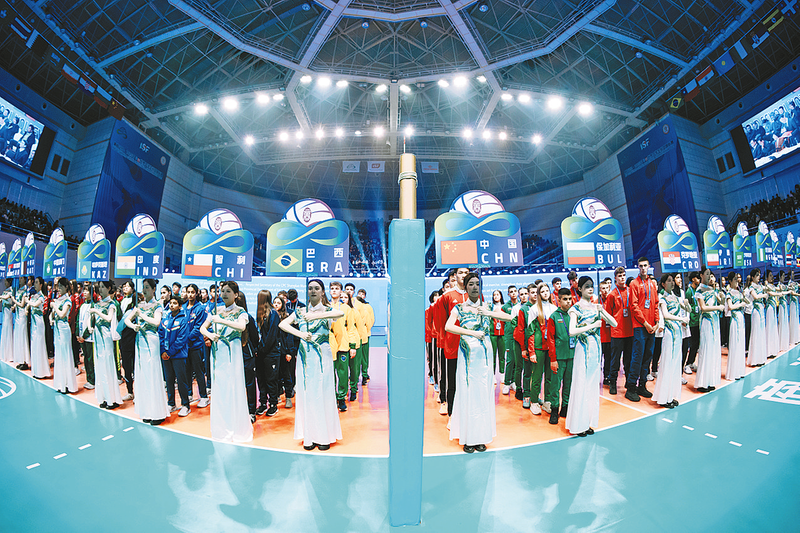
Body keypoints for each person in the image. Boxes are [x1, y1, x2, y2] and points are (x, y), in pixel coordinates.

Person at [445, 273, 512, 452]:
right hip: (467, 357)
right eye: (471, 284)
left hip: (485, 357)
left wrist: (489, 313)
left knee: (483, 393)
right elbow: (448, 326)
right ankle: (468, 438)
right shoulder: (459, 308)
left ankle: (481, 436)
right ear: (465, 287)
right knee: (468, 393)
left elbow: (509, 318)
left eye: (477, 284)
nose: (474, 287)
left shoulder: (487, 306)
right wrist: (472, 333)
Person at [279, 279, 344, 451]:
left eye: (317, 288)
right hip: (305, 358)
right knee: (307, 394)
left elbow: (340, 314)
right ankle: (309, 435)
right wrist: (300, 334)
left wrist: (317, 316)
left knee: (323, 392)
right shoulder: (300, 311)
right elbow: (282, 324)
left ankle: (324, 436)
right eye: (310, 288)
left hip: (323, 357)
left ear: (322, 291)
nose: (313, 291)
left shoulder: (328, 310)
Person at [200, 281, 253, 442]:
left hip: (233, 356)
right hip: (218, 355)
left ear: (236, 295)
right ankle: (222, 427)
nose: (224, 294)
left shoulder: (241, 312)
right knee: (220, 389)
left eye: (228, 291)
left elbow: (241, 327)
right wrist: (210, 335)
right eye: (222, 291)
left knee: (234, 387)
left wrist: (221, 320)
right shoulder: (216, 310)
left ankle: (236, 427)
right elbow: (202, 328)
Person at [565, 277, 617, 436]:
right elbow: (572, 331)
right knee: (581, 384)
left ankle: (587, 422)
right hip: (582, 350)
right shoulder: (575, 308)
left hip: (595, 350)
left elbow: (614, 323)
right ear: (580, 289)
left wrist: (602, 311)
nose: (590, 289)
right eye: (586, 286)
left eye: (592, 286)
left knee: (592, 386)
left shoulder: (596, 307)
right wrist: (593, 325)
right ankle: (578, 425)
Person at [125, 279, 168, 425]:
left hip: (152, 340)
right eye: (143, 287)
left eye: (147, 287)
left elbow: (156, 322)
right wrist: (133, 326)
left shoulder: (157, 306)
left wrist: (141, 315)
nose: (144, 290)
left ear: (154, 289)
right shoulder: (139, 305)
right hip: (140, 341)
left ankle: (157, 413)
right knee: (142, 375)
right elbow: (127, 320)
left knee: (152, 374)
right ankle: (147, 411)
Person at [431, 267, 471, 417]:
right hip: (453, 345)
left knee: (469, 380)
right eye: (460, 273)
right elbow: (441, 322)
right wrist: (445, 341)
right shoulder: (447, 296)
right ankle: (451, 414)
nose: (463, 275)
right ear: (455, 275)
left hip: (471, 345)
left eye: (466, 272)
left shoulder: (475, 294)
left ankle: (467, 413)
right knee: (452, 381)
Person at [653, 273, 688, 408]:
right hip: (669, 333)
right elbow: (666, 315)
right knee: (667, 363)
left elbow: (687, 309)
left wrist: (687, 306)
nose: (672, 282)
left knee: (675, 364)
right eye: (669, 281)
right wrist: (681, 319)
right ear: (663, 284)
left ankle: (671, 395)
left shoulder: (676, 297)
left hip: (678, 333)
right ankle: (663, 398)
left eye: (672, 280)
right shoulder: (662, 298)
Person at [626, 257, 658, 402]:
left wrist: (656, 322)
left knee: (648, 356)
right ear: (638, 267)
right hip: (640, 326)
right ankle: (631, 387)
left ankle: (642, 385)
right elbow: (634, 306)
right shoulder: (634, 284)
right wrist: (645, 323)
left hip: (651, 327)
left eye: (645, 265)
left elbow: (655, 304)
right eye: (641, 266)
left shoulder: (652, 284)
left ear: (649, 266)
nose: (643, 268)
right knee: (637, 356)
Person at [88, 280, 123, 410]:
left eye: (103, 287)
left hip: (106, 338)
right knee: (100, 367)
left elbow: (109, 318)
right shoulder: (97, 304)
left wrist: (96, 312)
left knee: (108, 366)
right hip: (97, 338)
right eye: (100, 287)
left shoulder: (111, 304)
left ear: (109, 288)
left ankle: (112, 399)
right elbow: (91, 319)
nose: (100, 289)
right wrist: (90, 325)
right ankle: (103, 397)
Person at [524, 283, 556, 415]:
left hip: (551, 348)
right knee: (537, 377)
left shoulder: (554, 308)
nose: (545, 293)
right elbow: (530, 332)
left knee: (550, 377)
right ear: (538, 294)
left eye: (547, 290)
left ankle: (547, 401)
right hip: (538, 348)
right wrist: (531, 352)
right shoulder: (534, 309)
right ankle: (534, 402)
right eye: (542, 291)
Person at [546, 288, 576, 425]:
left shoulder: (574, 315)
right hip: (558, 357)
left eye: (570, 299)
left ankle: (565, 407)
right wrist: (553, 359)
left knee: (568, 384)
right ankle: (554, 409)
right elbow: (550, 339)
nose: (568, 302)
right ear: (559, 300)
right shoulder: (554, 316)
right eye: (565, 299)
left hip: (572, 356)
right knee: (555, 385)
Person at [160, 294, 191, 417]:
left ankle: (185, 405)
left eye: (175, 303)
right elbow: (161, 334)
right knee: (169, 380)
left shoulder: (183, 320)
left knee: (181, 381)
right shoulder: (165, 319)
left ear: (180, 306)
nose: (172, 305)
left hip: (178, 356)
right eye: (171, 303)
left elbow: (181, 339)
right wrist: (163, 351)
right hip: (166, 356)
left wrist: (169, 352)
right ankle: (171, 403)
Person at [695, 269, 724, 393]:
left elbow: (721, 302)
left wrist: (722, 297)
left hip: (715, 322)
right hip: (706, 322)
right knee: (706, 349)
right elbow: (703, 307)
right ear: (701, 275)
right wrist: (718, 307)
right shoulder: (699, 291)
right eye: (707, 274)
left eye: (710, 275)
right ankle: (702, 383)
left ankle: (711, 380)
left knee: (713, 350)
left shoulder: (712, 290)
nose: (709, 277)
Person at [605, 267, 632, 395]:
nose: (622, 278)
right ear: (615, 278)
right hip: (617, 332)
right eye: (619, 276)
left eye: (623, 275)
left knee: (628, 359)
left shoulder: (630, 291)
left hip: (630, 331)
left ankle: (628, 382)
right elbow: (608, 314)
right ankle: (613, 382)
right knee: (615, 360)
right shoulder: (612, 295)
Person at [256, 289, 282, 417]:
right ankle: (262, 403)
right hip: (261, 353)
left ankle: (273, 404)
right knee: (261, 380)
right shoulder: (260, 314)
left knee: (271, 380)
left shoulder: (273, 314)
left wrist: (262, 349)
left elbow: (271, 335)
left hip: (271, 353)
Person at [183, 284, 209, 408]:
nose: (190, 294)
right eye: (188, 292)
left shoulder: (200, 308)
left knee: (198, 372)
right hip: (184, 346)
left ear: (196, 293)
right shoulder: (183, 307)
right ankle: (189, 394)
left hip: (196, 345)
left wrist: (186, 339)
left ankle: (203, 396)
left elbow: (198, 327)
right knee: (186, 371)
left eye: (192, 292)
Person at [51, 277, 77, 394]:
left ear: (66, 287)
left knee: (65, 355)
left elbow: (62, 314)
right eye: (58, 286)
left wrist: (54, 306)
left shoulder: (67, 300)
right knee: (59, 355)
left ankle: (67, 384)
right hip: (57, 330)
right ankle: (60, 383)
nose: (59, 288)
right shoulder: (58, 299)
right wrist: (51, 317)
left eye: (61, 286)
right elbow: (53, 315)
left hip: (64, 330)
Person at [274, 296, 295, 409]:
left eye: (278, 303)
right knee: (275, 375)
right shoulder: (271, 316)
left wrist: (289, 352)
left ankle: (288, 397)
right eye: (275, 302)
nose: (276, 304)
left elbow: (289, 336)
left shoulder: (286, 317)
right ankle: (277, 395)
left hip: (284, 350)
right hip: (274, 351)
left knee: (287, 375)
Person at [725, 272, 747, 381]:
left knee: (741, 343)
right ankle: (733, 372)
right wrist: (740, 304)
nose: (736, 281)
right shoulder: (729, 293)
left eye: (737, 279)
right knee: (735, 342)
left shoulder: (739, 292)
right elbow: (730, 307)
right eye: (734, 279)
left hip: (741, 318)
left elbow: (746, 302)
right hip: (734, 319)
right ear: (730, 281)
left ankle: (740, 370)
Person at [27, 277, 50, 379]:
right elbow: (30, 305)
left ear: (41, 285)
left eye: (36, 283)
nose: (35, 284)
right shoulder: (34, 296)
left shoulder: (41, 297)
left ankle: (41, 372)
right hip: (33, 323)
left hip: (39, 323)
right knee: (34, 345)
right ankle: (35, 370)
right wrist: (26, 308)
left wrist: (27, 301)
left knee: (39, 345)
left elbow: (35, 304)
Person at [118, 280, 137, 401]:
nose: (125, 288)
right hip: (124, 340)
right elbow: (120, 324)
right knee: (127, 367)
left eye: (128, 286)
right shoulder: (122, 304)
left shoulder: (139, 308)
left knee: (136, 368)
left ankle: (139, 393)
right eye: (124, 286)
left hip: (135, 340)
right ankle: (130, 391)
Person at [500, 284, 521, 396]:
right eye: (511, 292)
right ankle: (506, 383)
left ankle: (513, 381)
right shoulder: (505, 307)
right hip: (509, 336)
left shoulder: (520, 305)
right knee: (510, 360)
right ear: (508, 294)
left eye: (514, 291)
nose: (513, 293)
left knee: (517, 360)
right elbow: (502, 322)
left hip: (519, 335)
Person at [746, 268, 768, 367]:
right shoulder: (751, 287)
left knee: (761, 332)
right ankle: (755, 359)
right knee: (756, 333)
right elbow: (755, 297)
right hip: (756, 311)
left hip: (761, 311)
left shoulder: (760, 286)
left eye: (759, 275)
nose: (759, 277)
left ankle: (761, 357)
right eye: (757, 275)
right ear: (753, 277)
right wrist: (764, 295)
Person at [12, 278, 31, 371]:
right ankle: (20, 360)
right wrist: (14, 306)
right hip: (17, 316)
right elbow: (18, 302)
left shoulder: (25, 291)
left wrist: (14, 301)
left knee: (23, 337)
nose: (20, 280)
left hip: (22, 316)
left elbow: (22, 304)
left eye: (22, 278)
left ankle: (24, 361)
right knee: (18, 337)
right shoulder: (19, 290)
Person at [764, 270, 780, 358]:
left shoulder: (772, 286)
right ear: (766, 278)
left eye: (772, 275)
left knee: (773, 327)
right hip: (769, 308)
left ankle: (773, 349)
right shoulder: (766, 287)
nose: (772, 277)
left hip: (773, 308)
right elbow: (772, 293)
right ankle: (768, 351)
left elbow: (778, 289)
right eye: (770, 275)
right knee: (770, 328)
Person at [489, 290, 505, 374]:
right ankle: (492, 375)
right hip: (493, 334)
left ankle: (502, 374)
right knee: (493, 355)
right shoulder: (490, 307)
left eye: (497, 294)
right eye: (494, 295)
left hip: (502, 334)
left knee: (502, 356)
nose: (496, 296)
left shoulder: (504, 307)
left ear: (501, 296)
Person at [0, 279, 15, 364]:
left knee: (8, 331)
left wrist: (1, 297)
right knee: (4, 330)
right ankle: (3, 353)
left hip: (8, 313)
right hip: (4, 313)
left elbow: (6, 298)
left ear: (9, 282)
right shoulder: (5, 291)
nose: (5, 283)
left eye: (6, 281)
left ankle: (9, 355)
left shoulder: (11, 291)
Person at [777, 271, 790, 353]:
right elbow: (780, 294)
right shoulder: (779, 285)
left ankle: (785, 342)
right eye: (783, 275)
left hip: (785, 304)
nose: (784, 277)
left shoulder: (783, 285)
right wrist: (788, 292)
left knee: (785, 322)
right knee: (782, 322)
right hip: (781, 305)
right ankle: (781, 343)